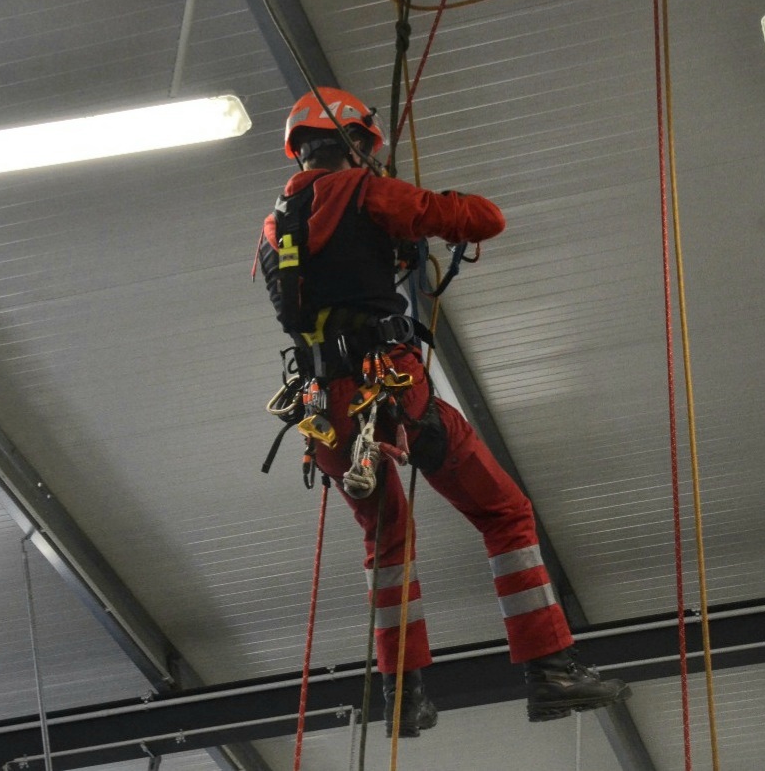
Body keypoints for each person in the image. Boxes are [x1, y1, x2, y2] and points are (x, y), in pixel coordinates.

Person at [258, 87, 630, 737]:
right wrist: (407, 206)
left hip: (326, 415)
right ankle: (549, 667)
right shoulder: (367, 195)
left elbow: (324, 286)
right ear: (354, 144)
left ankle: (402, 694)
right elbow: (484, 219)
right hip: (391, 392)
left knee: (387, 543)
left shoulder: (273, 230)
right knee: (503, 509)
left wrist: (384, 247)